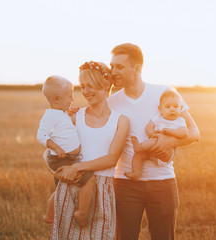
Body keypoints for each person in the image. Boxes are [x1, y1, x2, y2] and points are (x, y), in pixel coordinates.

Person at [108, 43, 200, 240]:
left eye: (119, 67)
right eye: (112, 66)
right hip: (125, 183)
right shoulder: (111, 102)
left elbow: (194, 132)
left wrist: (170, 143)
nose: (113, 72)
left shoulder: (165, 93)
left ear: (137, 68)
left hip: (163, 182)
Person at [50, 61, 130, 239]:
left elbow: (111, 159)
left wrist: (77, 167)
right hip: (72, 185)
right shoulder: (74, 117)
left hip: (102, 189)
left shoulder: (121, 121)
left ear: (106, 85)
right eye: (83, 86)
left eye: (91, 86)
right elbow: (51, 148)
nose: (86, 91)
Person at [36, 75, 95, 226]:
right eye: (70, 96)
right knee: (89, 179)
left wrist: (68, 115)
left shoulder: (60, 114)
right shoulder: (50, 116)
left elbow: (63, 128)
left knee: (63, 188)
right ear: (56, 98)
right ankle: (82, 213)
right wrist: (56, 147)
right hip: (63, 158)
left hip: (69, 158)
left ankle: (50, 215)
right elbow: (41, 135)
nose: (72, 100)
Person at [125, 89, 189, 181]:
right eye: (168, 107)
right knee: (139, 155)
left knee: (156, 140)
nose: (172, 109)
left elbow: (184, 133)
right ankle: (136, 172)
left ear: (180, 108)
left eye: (176, 106)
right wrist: (152, 133)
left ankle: (139, 146)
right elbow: (148, 127)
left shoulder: (179, 121)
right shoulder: (158, 118)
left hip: (167, 153)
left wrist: (171, 132)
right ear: (160, 109)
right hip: (152, 152)